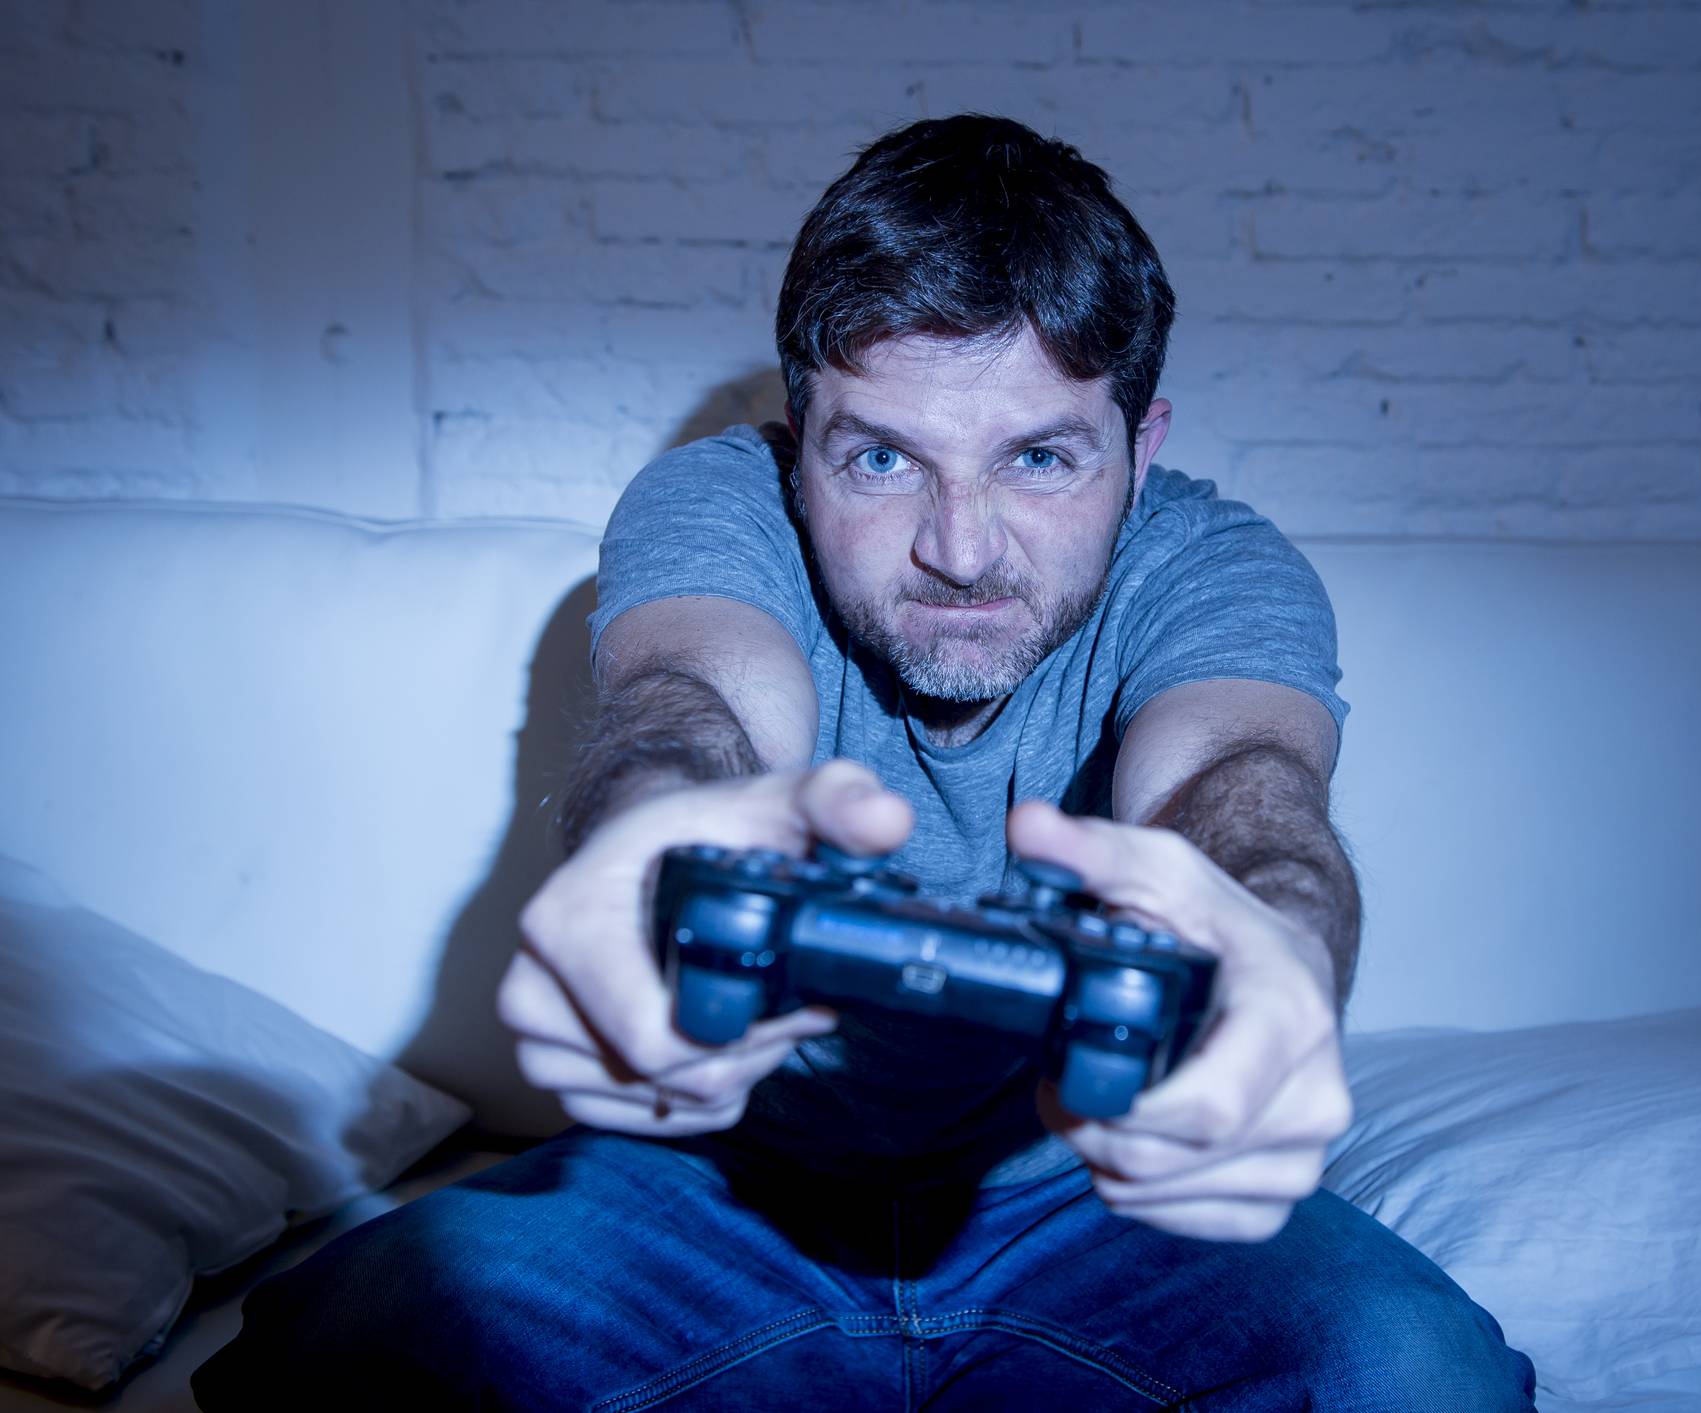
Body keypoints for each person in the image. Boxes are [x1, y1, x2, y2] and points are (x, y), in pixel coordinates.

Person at [194, 113, 1536, 1411]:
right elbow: (690, 705)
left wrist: (1279, 951)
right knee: (335, 1349)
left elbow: (1240, 785)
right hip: (714, 1190)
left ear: (1144, 448)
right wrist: (650, 841)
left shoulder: (1219, 563)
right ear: (800, 439)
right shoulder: (720, 498)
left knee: (1418, 1375)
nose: (960, 545)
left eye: (1042, 457)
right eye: (884, 456)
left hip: (1097, 1199)